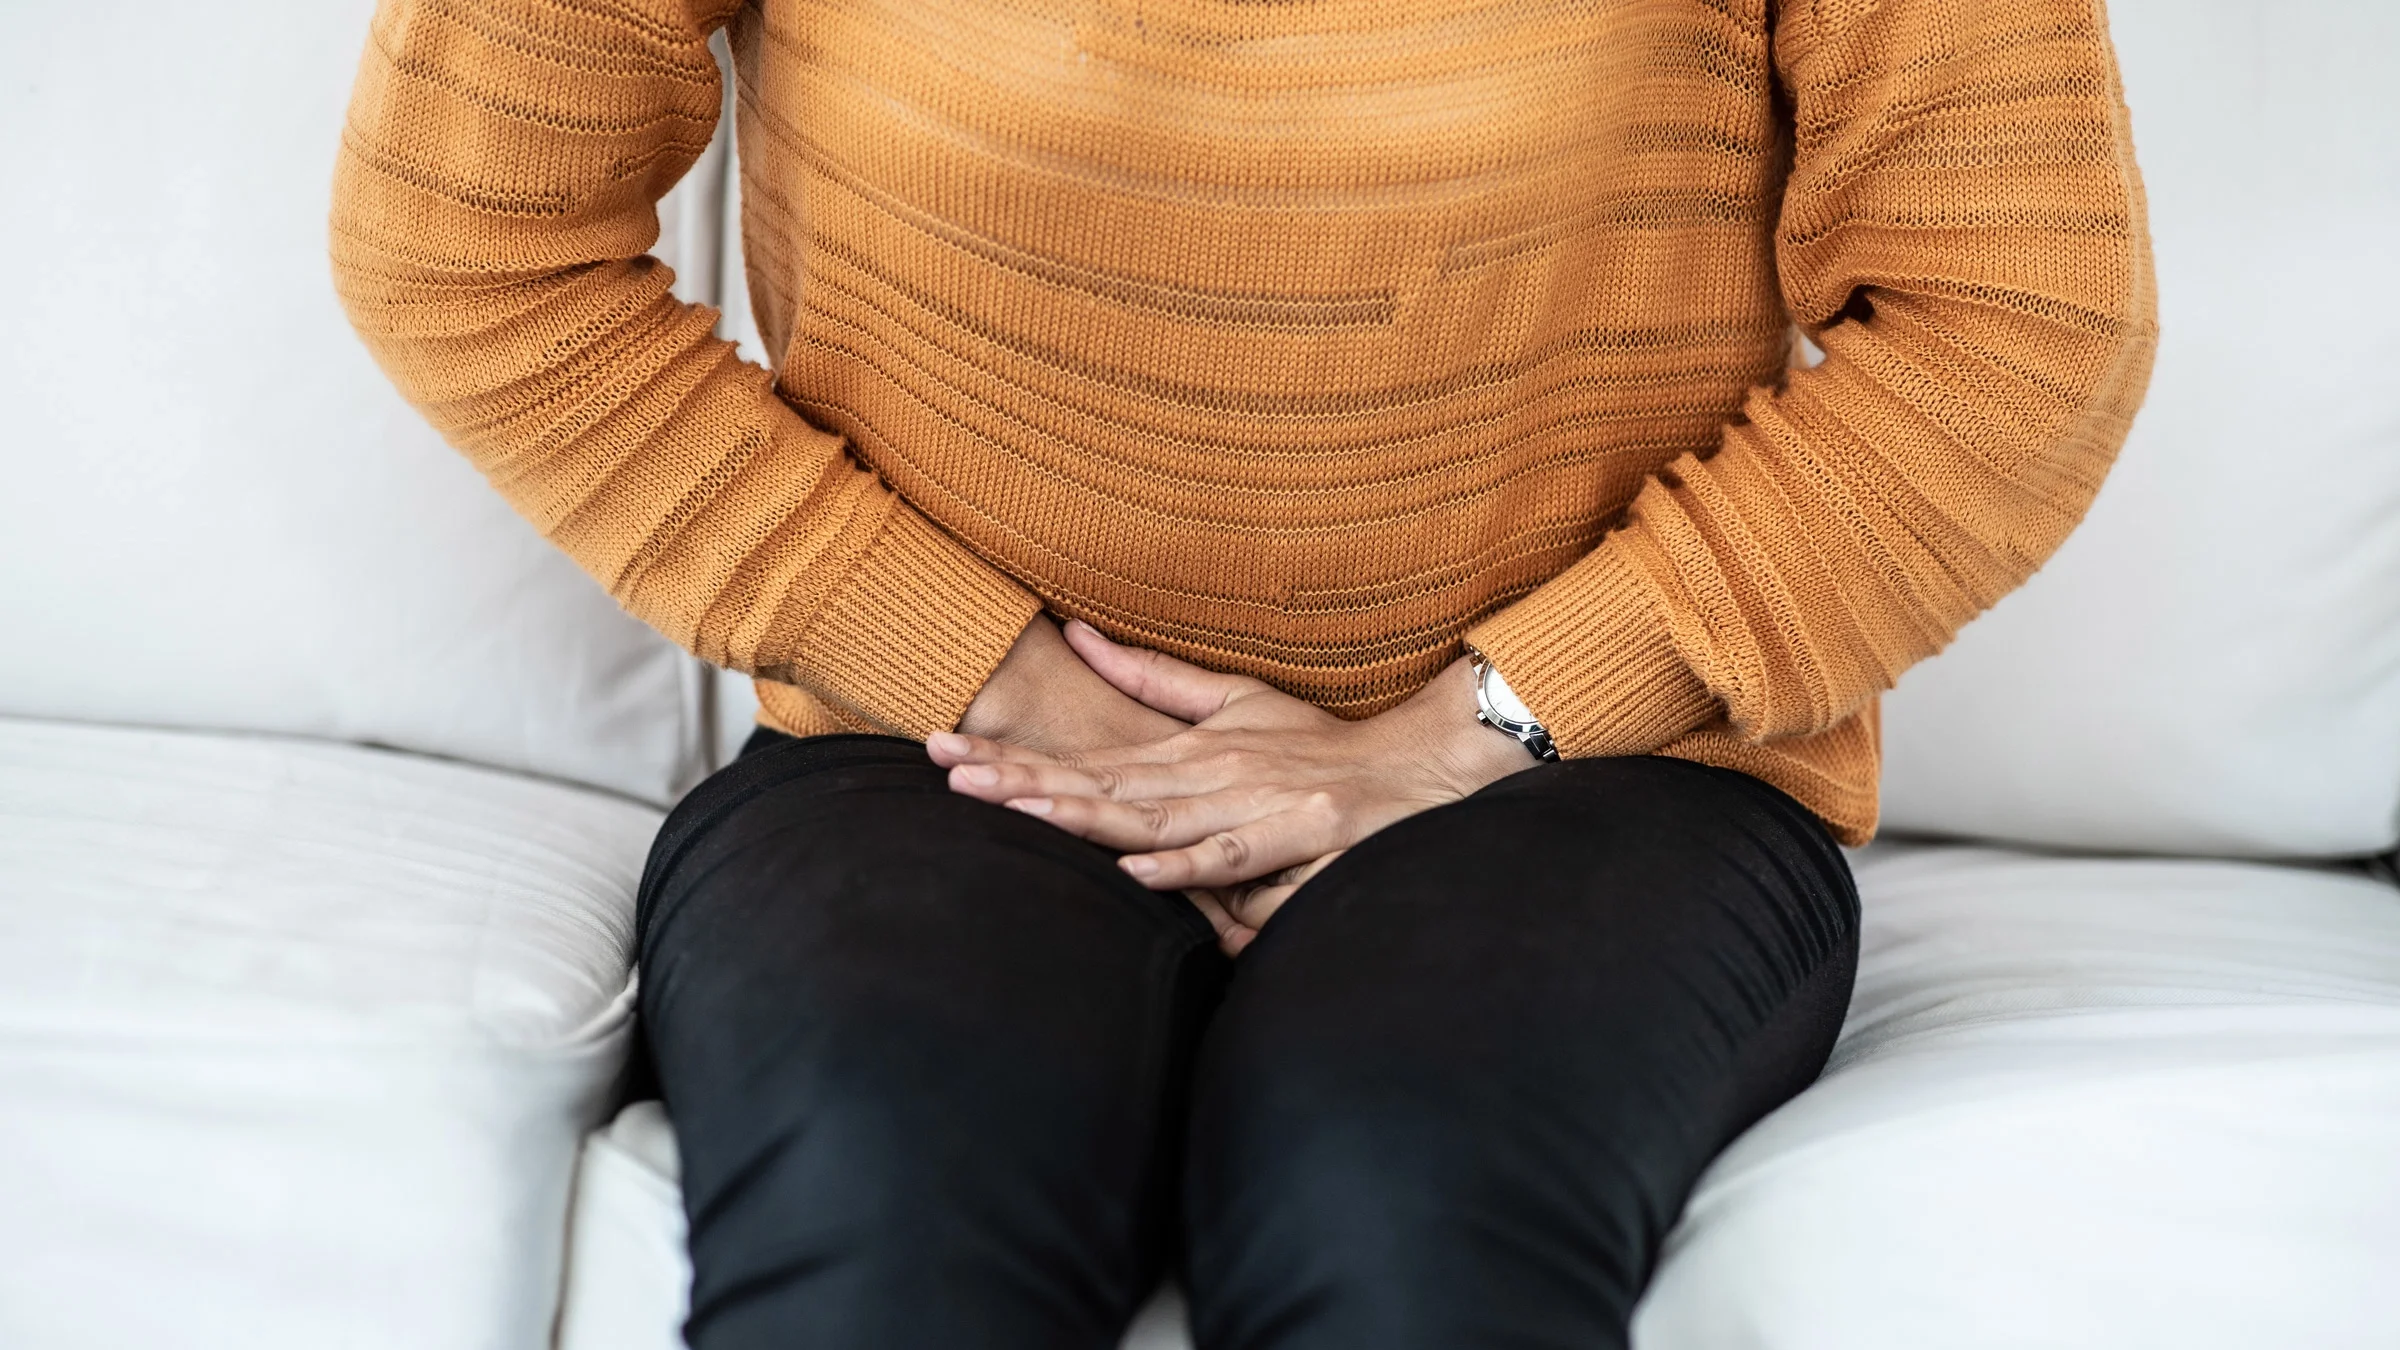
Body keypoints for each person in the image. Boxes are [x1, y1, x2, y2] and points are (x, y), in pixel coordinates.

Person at [332, 1, 2155, 1344]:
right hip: (941, 753)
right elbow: (466, 227)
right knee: (885, 1203)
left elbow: (2022, 317)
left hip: (1590, 779)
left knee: (1405, 1207)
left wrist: (1477, 723)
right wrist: (998, 676)